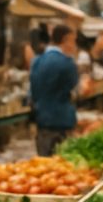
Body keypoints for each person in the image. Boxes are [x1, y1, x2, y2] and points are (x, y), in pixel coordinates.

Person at [29, 24, 79, 156]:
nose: (75, 45)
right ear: (66, 39)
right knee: (61, 166)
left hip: (42, 120)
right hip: (61, 121)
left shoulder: (36, 61)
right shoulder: (67, 63)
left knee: (44, 166)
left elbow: (33, 92)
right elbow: (76, 89)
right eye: (74, 40)